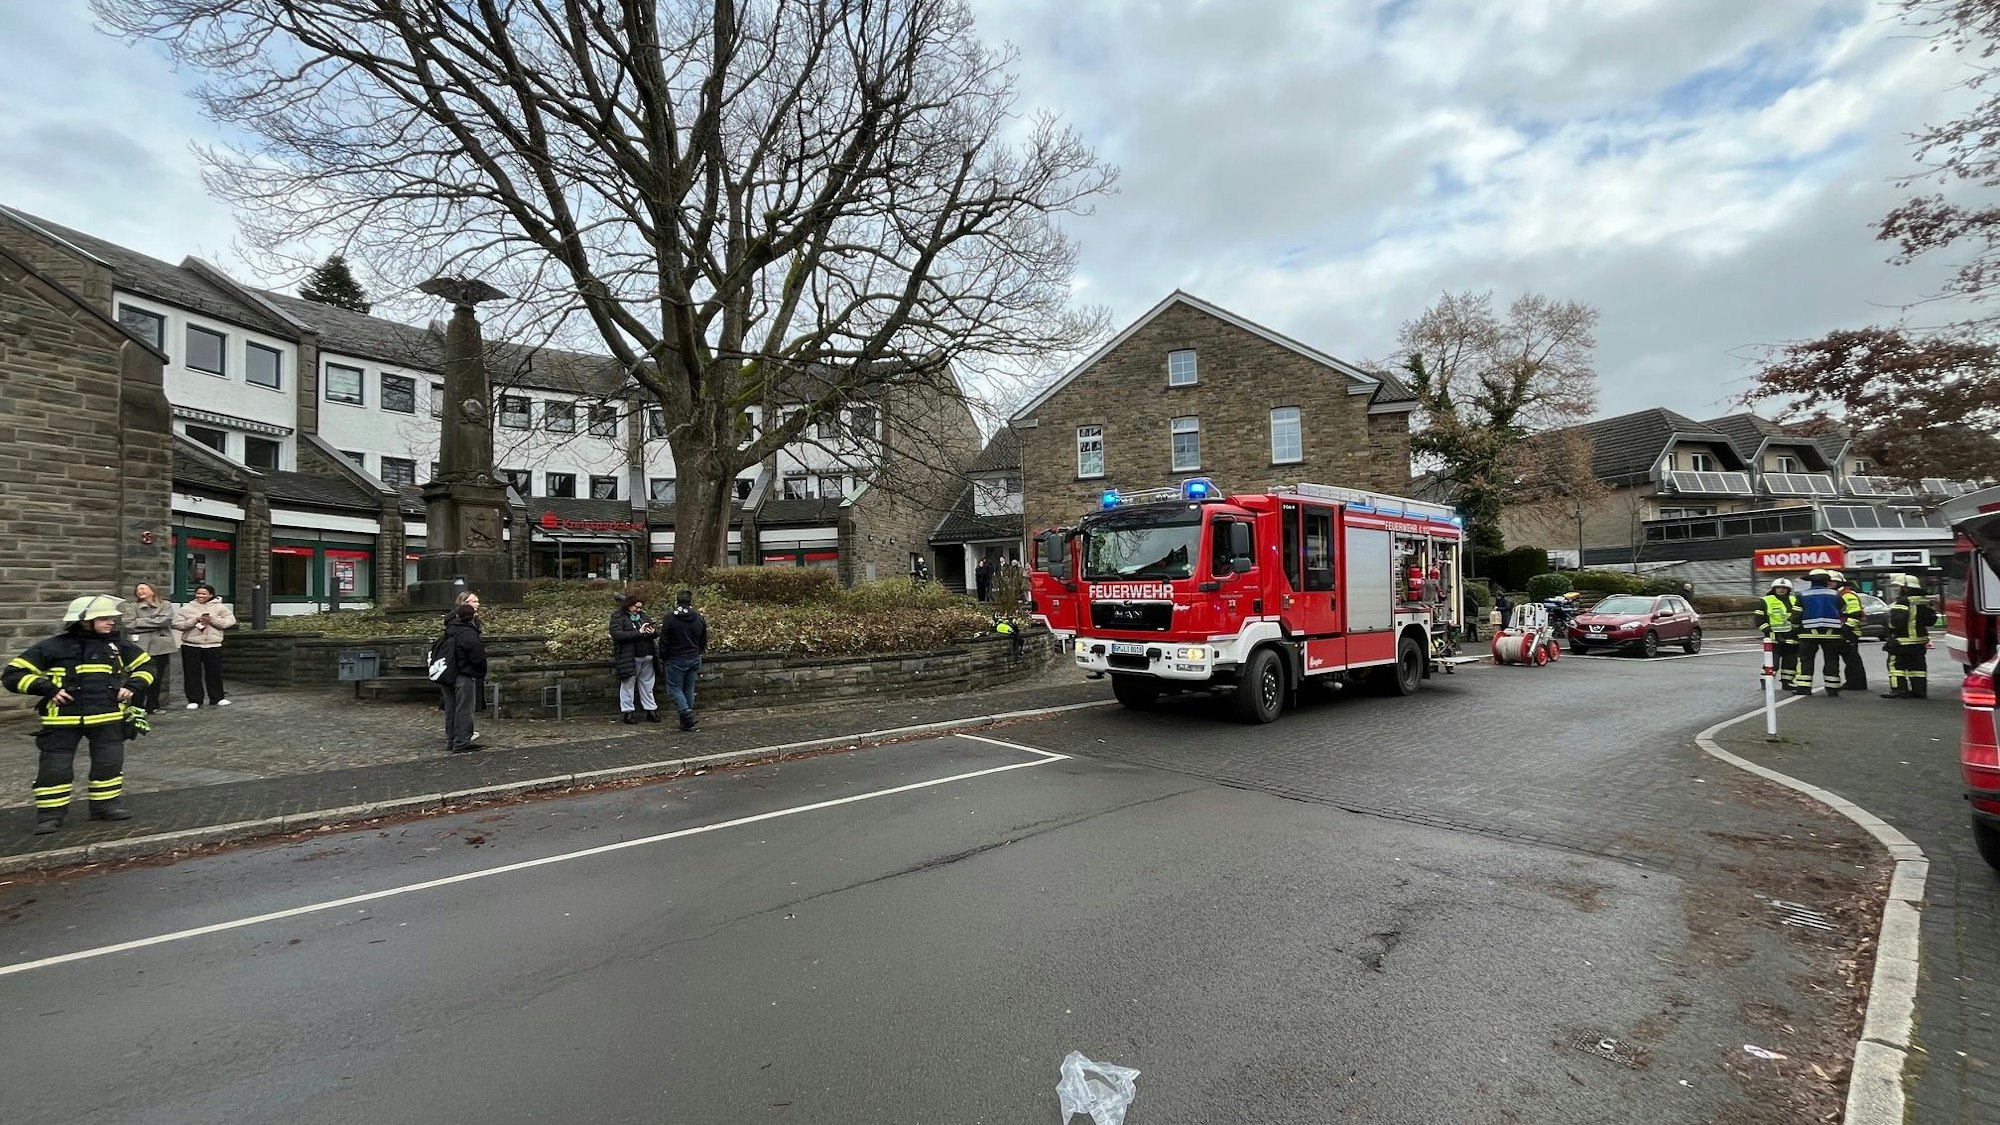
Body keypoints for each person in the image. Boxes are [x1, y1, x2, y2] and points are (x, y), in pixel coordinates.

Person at [3, 595, 152, 833]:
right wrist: (47, 688)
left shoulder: (118, 646)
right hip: (63, 720)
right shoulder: (53, 646)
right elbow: (12, 674)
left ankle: (106, 806)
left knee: (109, 764)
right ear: (84, 621)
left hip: (108, 717)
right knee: (55, 768)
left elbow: (146, 667)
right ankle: (50, 815)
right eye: (103, 619)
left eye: (111, 618)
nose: (111, 623)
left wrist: (133, 686)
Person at [436, 594, 488, 752]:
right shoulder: (468, 633)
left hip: (447, 674)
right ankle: (462, 741)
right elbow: (478, 657)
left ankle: (452, 739)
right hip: (463, 675)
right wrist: (478, 672)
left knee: (451, 708)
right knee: (464, 709)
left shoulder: (449, 630)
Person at [173, 583, 236, 708]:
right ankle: (194, 699)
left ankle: (217, 697)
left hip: (213, 644)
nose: (200, 596)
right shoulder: (186, 608)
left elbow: (230, 621)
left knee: (214, 673)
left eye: (203, 594)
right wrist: (194, 620)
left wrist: (212, 619)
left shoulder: (220, 607)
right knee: (191, 673)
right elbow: (177, 624)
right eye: (198, 593)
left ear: (211, 595)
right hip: (191, 645)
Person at [1790, 569, 1847, 697]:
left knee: (1806, 660)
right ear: (1826, 581)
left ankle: (1804, 687)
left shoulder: (1802, 595)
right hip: (1832, 634)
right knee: (1832, 660)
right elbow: (1843, 611)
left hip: (1808, 634)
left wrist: (1795, 629)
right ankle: (1832, 688)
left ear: (1810, 581)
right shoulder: (1836, 595)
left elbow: (1796, 616)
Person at [1881, 573, 1939, 699]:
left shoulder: (1903, 601)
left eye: (1899, 587)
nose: (1897, 590)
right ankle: (1919, 691)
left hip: (1902, 641)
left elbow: (1897, 622)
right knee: (1917, 667)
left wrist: (1890, 624)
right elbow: (1931, 620)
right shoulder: (1924, 601)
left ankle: (1899, 689)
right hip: (1919, 642)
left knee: (1896, 665)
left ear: (1906, 588)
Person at [658, 588, 709, 731]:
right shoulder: (699, 618)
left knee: (674, 688)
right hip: (693, 657)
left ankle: (687, 714)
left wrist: (663, 656)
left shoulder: (670, 619)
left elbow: (664, 641)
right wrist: (698, 651)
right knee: (688, 688)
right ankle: (686, 721)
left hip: (675, 659)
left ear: (677, 601)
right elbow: (703, 639)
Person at [126, 582, 179, 714]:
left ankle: (153, 705)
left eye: (143, 588)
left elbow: (165, 621)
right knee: (139, 676)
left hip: (160, 646)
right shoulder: (132, 607)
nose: (140, 591)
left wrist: (140, 621)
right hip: (140, 646)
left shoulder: (165, 605)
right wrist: (153, 622)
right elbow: (128, 624)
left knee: (157, 677)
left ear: (152, 591)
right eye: (137, 589)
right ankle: (137, 706)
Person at [610, 592, 660, 724]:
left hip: (647, 655)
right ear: (628, 606)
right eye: (636, 607)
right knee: (628, 685)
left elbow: (655, 632)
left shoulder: (643, 616)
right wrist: (638, 633)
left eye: (640, 607)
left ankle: (651, 710)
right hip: (630, 656)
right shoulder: (618, 617)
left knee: (648, 685)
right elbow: (617, 635)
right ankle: (628, 712)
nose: (638, 610)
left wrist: (653, 632)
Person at [1754, 577, 1799, 684]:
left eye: (1784, 588)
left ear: (1789, 590)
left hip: (1791, 637)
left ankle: (1787, 682)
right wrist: (1769, 631)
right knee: (1773, 663)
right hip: (1773, 638)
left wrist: (1796, 631)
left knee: (1791, 662)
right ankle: (1766, 681)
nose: (1781, 590)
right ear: (1774, 588)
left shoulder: (1795, 600)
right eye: (1778, 587)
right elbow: (1759, 620)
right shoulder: (1765, 601)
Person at [1834, 572, 1869, 691]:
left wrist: (1846, 629)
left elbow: (1855, 614)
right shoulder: (1838, 594)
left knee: (1852, 659)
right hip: (1844, 631)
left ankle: (1857, 683)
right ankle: (1853, 682)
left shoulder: (1847, 595)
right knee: (1849, 659)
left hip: (1850, 632)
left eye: (1832, 581)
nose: (1829, 584)